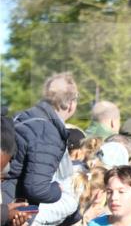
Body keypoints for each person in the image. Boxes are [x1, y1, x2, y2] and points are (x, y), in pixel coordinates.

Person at [2, 72, 78, 206]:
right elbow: (36, 188)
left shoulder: (26, 116)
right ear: (70, 104)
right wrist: (57, 190)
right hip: (11, 204)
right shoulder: (48, 132)